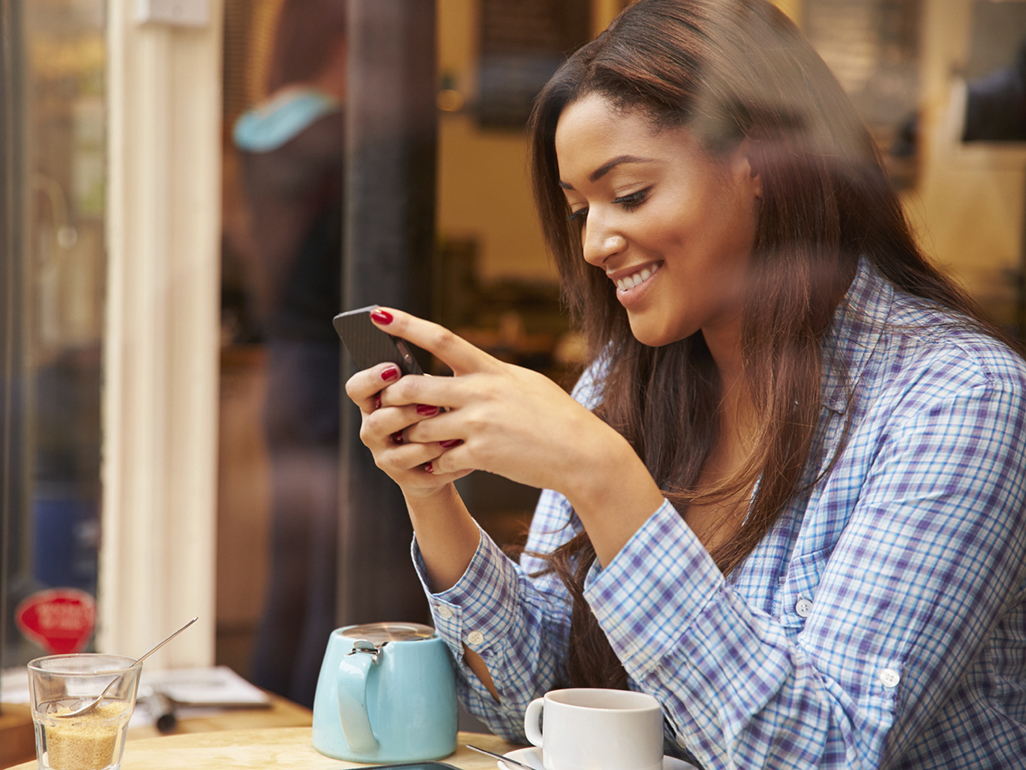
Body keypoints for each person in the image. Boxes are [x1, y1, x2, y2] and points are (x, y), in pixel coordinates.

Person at [345, 1, 1026, 767]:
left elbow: (824, 752)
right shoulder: (625, 379)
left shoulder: (956, 397)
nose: (597, 242)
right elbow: (525, 701)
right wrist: (432, 493)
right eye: (579, 210)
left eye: (629, 194)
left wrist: (603, 477)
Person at [232, 0, 347, 708]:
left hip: (284, 364)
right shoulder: (337, 135)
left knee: (292, 566)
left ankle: (269, 703)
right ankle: (318, 718)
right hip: (330, 368)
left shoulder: (256, 133)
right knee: (339, 571)